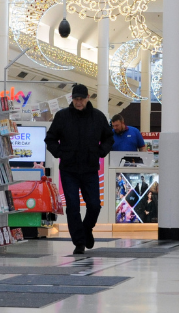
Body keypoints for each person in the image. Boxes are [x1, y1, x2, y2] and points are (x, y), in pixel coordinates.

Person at [44, 84, 113, 255]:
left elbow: (109, 138)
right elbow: (50, 139)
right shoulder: (62, 116)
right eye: (76, 99)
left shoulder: (98, 117)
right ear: (72, 99)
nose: (79, 102)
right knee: (73, 206)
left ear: (88, 98)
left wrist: (100, 152)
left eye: (82, 98)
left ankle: (86, 229)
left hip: (90, 169)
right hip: (69, 170)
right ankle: (79, 242)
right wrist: (60, 153)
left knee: (94, 205)